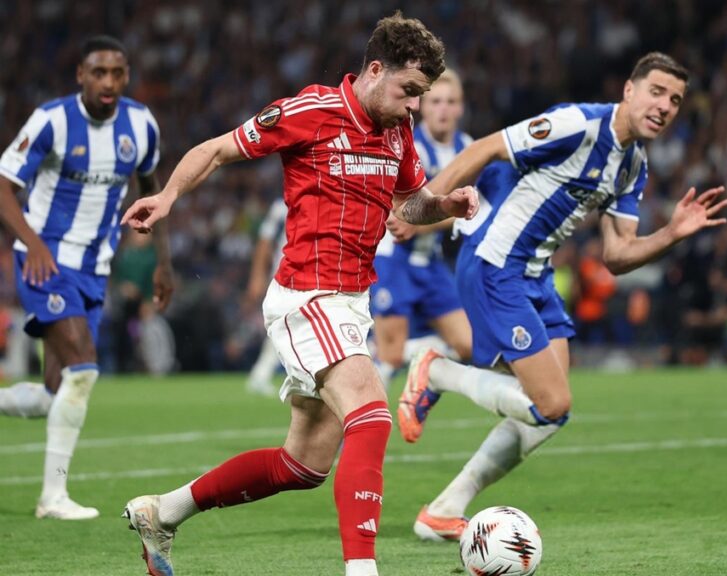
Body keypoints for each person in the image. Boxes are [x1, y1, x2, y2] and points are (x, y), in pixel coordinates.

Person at [119, 13, 478, 576]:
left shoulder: (397, 128)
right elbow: (216, 150)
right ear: (375, 70)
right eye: (409, 90)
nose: (415, 105)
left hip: (351, 302)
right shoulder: (311, 111)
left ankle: (163, 512)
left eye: (422, 94)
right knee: (372, 416)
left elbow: (409, 203)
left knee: (303, 465)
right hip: (307, 296)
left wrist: (445, 205)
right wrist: (167, 197)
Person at [395, 52, 727, 541]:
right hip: (496, 263)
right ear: (630, 90)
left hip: (537, 277)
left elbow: (617, 255)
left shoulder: (632, 166)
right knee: (550, 403)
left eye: (675, 100)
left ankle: (444, 509)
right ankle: (437, 370)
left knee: (551, 414)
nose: (664, 106)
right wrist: (421, 205)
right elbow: (486, 148)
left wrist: (672, 233)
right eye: (656, 92)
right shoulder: (579, 124)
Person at [0, 35, 173, 520]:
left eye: (117, 73)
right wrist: (33, 242)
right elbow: (4, 185)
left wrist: (164, 262)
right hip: (46, 262)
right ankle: (52, 497)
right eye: (98, 72)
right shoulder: (52, 120)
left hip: (95, 268)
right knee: (83, 372)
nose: (108, 82)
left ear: (127, 76)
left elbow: (152, 191)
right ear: (81, 75)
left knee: (56, 394)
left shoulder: (140, 125)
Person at [370, 68, 473, 389]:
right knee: (390, 356)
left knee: (469, 346)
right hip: (393, 260)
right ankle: (361, 422)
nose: (443, 109)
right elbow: (395, 210)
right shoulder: (406, 145)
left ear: (460, 107)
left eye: (450, 102)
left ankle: (421, 361)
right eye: (436, 101)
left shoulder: (468, 148)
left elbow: (472, 211)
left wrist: (422, 224)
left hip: (431, 263)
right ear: (423, 106)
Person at [243, 196, 287, 396]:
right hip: (285, 275)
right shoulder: (281, 206)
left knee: (284, 327)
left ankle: (261, 374)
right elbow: (264, 241)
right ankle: (261, 375)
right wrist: (257, 276)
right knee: (284, 325)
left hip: (310, 275)